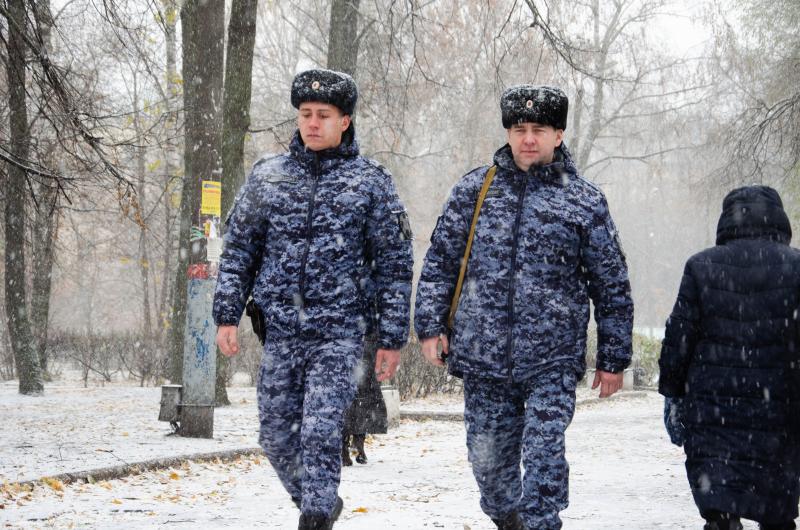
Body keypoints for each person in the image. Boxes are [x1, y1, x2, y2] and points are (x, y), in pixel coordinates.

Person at [414, 84, 634, 530]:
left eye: (539, 129)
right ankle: (509, 518)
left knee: (544, 458)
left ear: (558, 134)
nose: (528, 138)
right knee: (490, 474)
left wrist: (613, 359)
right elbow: (440, 263)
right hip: (482, 357)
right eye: (520, 129)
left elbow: (611, 285)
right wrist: (430, 327)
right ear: (508, 133)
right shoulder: (474, 191)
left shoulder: (584, 201)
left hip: (551, 360)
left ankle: (540, 522)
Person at [213, 68, 413, 530]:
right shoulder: (268, 178)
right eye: (306, 114)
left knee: (321, 431)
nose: (313, 123)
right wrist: (226, 314)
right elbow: (240, 249)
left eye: (324, 114)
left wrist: (391, 337)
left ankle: (316, 516)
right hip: (281, 332)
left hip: (340, 335)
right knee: (276, 436)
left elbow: (394, 265)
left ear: (345, 120)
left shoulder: (370, 183)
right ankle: (318, 504)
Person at [659, 185, 800, 530]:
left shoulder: (701, 266)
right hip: (780, 409)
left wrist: (673, 393)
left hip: (713, 408)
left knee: (719, 498)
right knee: (776, 505)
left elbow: (679, 336)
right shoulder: (796, 267)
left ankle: (723, 520)